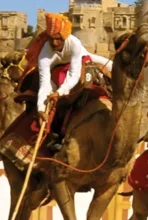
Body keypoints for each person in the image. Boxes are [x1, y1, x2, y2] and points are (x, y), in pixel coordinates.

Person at [23, 13, 112, 150]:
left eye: (58, 39)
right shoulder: (45, 54)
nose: (54, 43)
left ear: (65, 37)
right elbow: (44, 82)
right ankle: (55, 133)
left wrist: (60, 92)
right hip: (57, 67)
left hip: (78, 59)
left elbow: (74, 74)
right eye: (52, 39)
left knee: (110, 66)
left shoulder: (74, 44)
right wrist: (41, 107)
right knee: (50, 92)